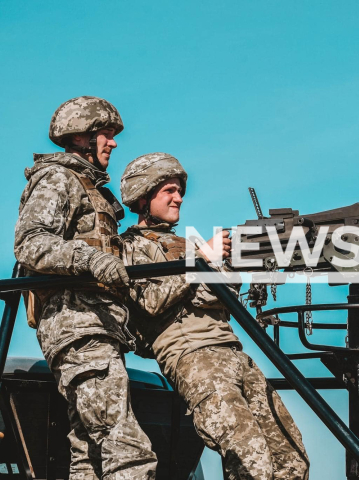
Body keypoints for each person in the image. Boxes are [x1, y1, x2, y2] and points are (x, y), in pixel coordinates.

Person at [119, 152, 310, 480]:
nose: (178, 197)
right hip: (195, 358)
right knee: (251, 460)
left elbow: (212, 300)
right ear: (142, 196)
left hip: (234, 355)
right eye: (168, 190)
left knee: (291, 461)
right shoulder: (129, 247)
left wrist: (229, 266)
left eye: (180, 190)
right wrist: (200, 259)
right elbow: (149, 301)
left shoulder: (185, 245)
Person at [14, 96, 157, 479]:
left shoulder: (87, 185)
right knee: (125, 448)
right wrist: (91, 260)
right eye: (106, 135)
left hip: (95, 325)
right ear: (81, 138)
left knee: (89, 454)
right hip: (76, 324)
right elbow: (31, 243)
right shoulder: (58, 177)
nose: (112, 143)